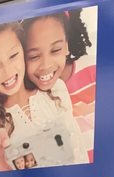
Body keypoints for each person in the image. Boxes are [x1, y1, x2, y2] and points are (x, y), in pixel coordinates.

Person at [0, 22, 83, 174]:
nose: (8, 72)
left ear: (24, 51)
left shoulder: (56, 90)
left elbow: (78, 147)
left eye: (13, 56)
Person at [22, 11, 95, 162]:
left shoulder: (95, 69)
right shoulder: (26, 103)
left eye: (55, 50)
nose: (46, 65)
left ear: (66, 45)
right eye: (34, 56)